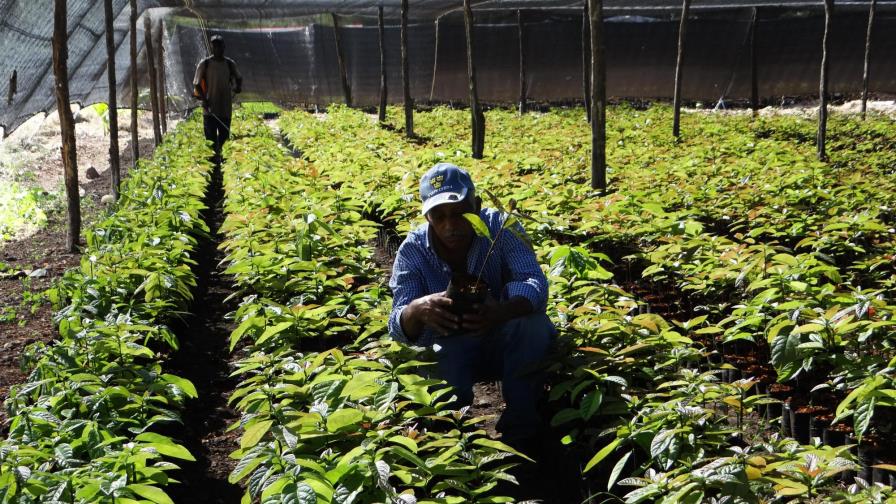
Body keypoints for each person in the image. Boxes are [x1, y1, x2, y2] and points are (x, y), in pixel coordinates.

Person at [388, 162, 555, 445]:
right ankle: (453, 440)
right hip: (448, 348)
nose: (450, 226)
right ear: (427, 216)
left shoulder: (501, 229)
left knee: (533, 327)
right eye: (438, 216)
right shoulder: (413, 250)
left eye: (459, 213)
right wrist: (417, 310)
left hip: (502, 343)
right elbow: (397, 326)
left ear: (476, 205)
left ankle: (522, 432)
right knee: (441, 391)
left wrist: (501, 311)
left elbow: (533, 281)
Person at [193, 34, 242, 158]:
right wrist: (205, 100)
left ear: (224, 47)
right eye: (215, 46)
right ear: (211, 47)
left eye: (219, 46)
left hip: (224, 108)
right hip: (209, 110)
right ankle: (214, 165)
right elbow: (197, 83)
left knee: (224, 138)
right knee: (211, 140)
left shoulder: (229, 64)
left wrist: (237, 87)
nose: (217, 49)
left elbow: (239, 78)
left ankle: (220, 163)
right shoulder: (205, 63)